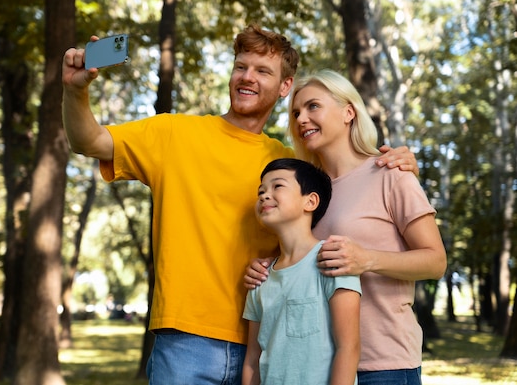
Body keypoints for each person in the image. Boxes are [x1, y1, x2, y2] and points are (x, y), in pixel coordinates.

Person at [62, 24, 418, 385]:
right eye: (240, 67)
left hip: (268, 345)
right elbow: (89, 140)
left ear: (284, 87)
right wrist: (76, 92)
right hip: (187, 343)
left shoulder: (289, 165)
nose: (247, 77)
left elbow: (346, 186)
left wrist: (394, 161)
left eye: (262, 71)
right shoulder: (174, 134)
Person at [244, 69, 447, 385]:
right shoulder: (303, 191)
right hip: (320, 368)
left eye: (313, 106)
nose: (301, 119)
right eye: (296, 112)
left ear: (348, 112)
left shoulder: (391, 173)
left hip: (383, 364)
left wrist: (367, 259)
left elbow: (436, 261)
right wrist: (265, 269)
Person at [242, 158, 361, 385]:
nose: (264, 195)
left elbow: (348, 347)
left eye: (277, 186)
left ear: (310, 201)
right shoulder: (260, 277)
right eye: (261, 191)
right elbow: (252, 359)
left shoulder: (332, 259)